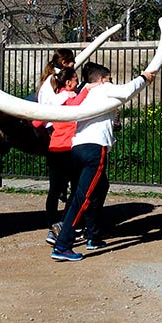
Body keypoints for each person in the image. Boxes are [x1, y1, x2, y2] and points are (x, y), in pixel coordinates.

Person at [50, 63, 155, 262]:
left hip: (77, 147)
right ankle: (62, 245)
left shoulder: (85, 94)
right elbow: (126, 91)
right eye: (108, 78)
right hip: (94, 149)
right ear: (101, 79)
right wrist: (143, 78)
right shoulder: (103, 88)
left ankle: (94, 237)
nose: (110, 81)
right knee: (83, 197)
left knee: (98, 188)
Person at [35, 48, 76, 238]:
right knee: (57, 183)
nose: (74, 65)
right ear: (65, 63)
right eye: (71, 62)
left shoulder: (54, 79)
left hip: (58, 131)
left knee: (61, 182)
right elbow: (50, 106)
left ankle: (61, 220)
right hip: (55, 131)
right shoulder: (52, 82)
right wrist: (67, 95)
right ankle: (54, 223)